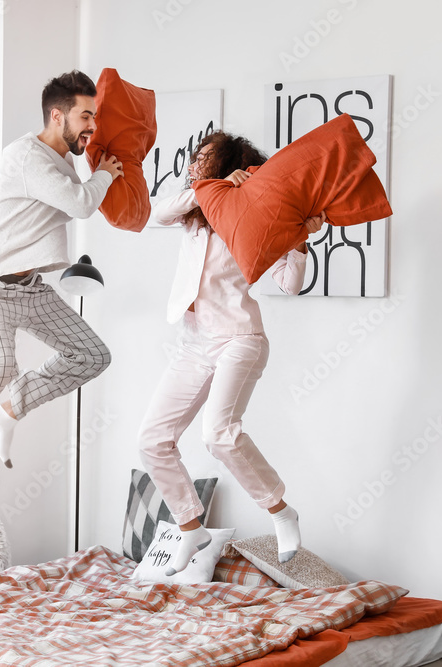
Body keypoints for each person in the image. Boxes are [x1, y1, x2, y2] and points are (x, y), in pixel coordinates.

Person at [139, 131, 325, 573]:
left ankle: (281, 512)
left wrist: (300, 239)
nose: (192, 166)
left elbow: (290, 284)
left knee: (218, 434)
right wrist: (212, 189)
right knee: (152, 440)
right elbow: (154, 213)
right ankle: (191, 528)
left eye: (202, 161)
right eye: (193, 159)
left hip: (240, 338)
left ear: (225, 162)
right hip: (195, 343)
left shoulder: (257, 215)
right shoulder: (194, 211)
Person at [0, 70, 124, 487]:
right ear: (57, 115)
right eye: (86, 116)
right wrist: (104, 172)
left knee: (92, 355)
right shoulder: (27, 157)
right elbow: (80, 204)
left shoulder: (63, 161)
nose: (92, 126)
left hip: (30, 290)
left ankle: (10, 408)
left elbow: (77, 200)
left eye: (95, 117)